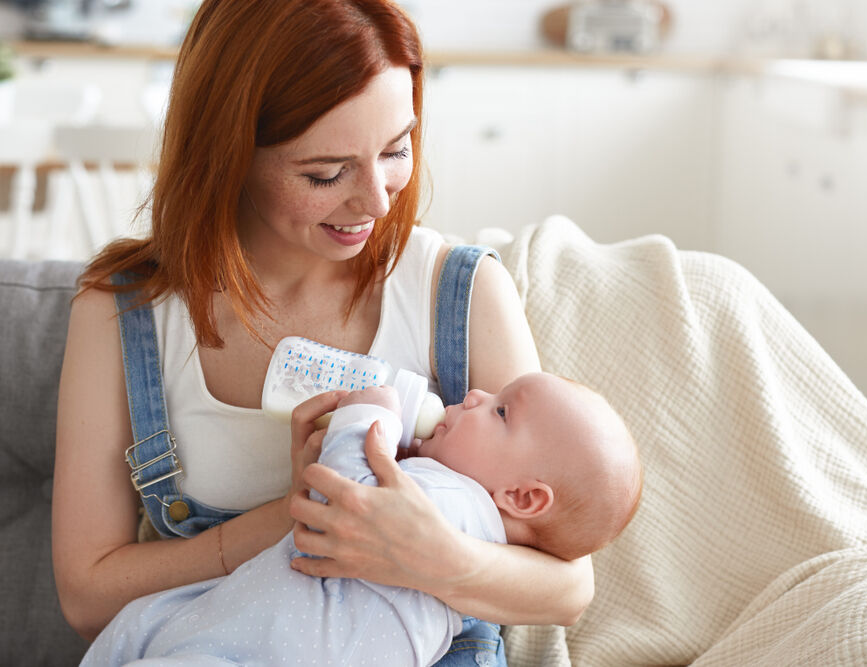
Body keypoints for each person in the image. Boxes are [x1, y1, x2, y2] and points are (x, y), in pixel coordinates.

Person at [52, 2, 594, 665]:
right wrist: (301, 514)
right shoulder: (123, 312)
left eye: (396, 149)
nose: (376, 199)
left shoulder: (460, 292)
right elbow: (86, 597)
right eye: (325, 173)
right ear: (229, 151)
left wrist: (435, 553)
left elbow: (568, 586)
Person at [81, 373, 643, 665]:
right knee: (142, 624)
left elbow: (343, 500)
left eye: (500, 411)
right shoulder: (447, 495)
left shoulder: (457, 503)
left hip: (266, 654)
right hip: (251, 636)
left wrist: (365, 415)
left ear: (521, 498)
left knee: (141, 629)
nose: (474, 392)